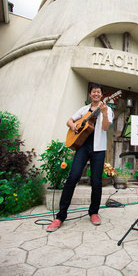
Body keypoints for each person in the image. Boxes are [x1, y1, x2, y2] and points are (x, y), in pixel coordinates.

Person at [47, 83, 114, 232]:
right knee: (73, 177)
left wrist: (103, 113)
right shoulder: (83, 109)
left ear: (102, 95)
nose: (96, 94)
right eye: (94, 92)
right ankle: (60, 216)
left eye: (99, 92)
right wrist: (73, 126)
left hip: (98, 148)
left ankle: (94, 212)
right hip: (82, 146)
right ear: (90, 94)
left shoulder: (107, 109)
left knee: (96, 181)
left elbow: (105, 127)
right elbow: (69, 121)